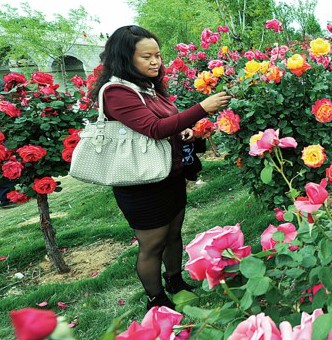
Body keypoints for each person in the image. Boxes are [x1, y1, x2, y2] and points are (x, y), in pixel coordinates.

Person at [89, 25, 231, 310]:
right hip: (141, 183)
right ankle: (157, 299)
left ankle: (175, 281)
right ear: (125, 58)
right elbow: (153, 128)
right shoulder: (117, 92)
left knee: (174, 234)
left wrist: (183, 131)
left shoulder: (148, 88)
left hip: (168, 173)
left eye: (157, 55)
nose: (155, 62)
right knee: (152, 244)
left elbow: (166, 125)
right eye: (146, 57)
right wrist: (203, 108)